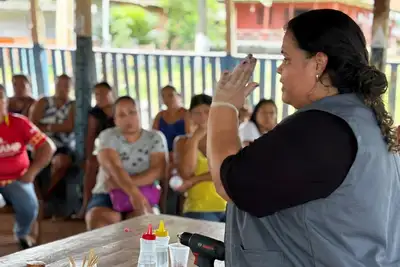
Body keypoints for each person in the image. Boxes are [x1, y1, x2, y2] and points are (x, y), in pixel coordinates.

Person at [207, 9, 400, 267]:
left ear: (318, 63)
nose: (279, 69)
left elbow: (228, 182)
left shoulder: (322, 129)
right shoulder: (364, 119)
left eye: (286, 58)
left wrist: (223, 107)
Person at [85, 96, 168, 230]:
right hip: (107, 193)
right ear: (115, 119)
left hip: (145, 192)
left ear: (139, 113)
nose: (128, 118)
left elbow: (157, 171)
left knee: (143, 226)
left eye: (132, 112)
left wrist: (120, 183)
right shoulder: (107, 136)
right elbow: (114, 168)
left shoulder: (155, 137)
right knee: (99, 222)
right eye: (121, 115)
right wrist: (135, 194)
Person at [0, 84, 55, 249]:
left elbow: (48, 147)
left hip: (17, 178)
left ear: (6, 101)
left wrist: (32, 172)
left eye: (0, 97)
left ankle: (22, 234)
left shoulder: (19, 122)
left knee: (30, 208)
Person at [174, 94, 226, 222]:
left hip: (228, 205)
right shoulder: (182, 141)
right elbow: (186, 172)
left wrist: (195, 179)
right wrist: (195, 139)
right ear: (190, 115)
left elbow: (226, 171)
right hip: (198, 208)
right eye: (197, 113)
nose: (202, 117)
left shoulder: (225, 139)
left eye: (207, 112)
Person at [30, 74, 75, 197]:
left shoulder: (73, 105)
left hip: (62, 145)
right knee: (26, 163)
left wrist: (46, 126)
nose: (62, 88)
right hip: (41, 142)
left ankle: (45, 195)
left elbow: (69, 127)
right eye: (59, 85)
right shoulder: (43, 101)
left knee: (61, 163)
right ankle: (37, 198)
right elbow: (32, 126)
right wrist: (57, 126)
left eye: (66, 85)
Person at [78, 82, 115, 218]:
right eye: (97, 94)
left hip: (120, 149)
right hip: (103, 150)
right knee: (91, 166)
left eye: (103, 94)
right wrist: (88, 157)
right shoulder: (95, 113)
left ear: (111, 93)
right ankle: (86, 205)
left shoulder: (120, 110)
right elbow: (91, 136)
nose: (100, 97)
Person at [152, 85, 190, 215]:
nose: (167, 99)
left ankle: (179, 213)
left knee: (178, 180)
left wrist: (176, 156)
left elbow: (189, 138)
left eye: (170, 95)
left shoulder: (186, 114)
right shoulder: (160, 116)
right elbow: (153, 138)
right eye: (164, 96)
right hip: (164, 155)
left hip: (182, 154)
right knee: (163, 181)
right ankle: (164, 212)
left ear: (178, 96)